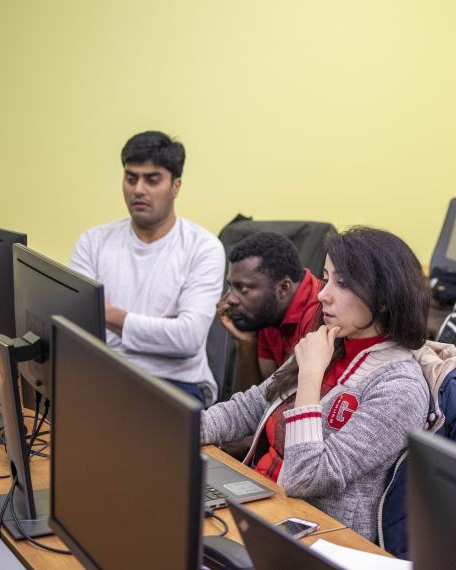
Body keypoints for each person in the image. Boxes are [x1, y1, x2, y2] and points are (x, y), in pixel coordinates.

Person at [201, 227, 431, 543]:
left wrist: (310, 376)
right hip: (264, 503)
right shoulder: (330, 341)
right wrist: (177, 429)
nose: (323, 293)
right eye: (326, 277)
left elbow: (306, 476)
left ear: (384, 299)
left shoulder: (399, 387)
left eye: (343, 283)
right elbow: (248, 407)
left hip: (318, 538)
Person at [71, 131, 225, 405]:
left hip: (175, 384)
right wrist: (159, 333)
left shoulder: (203, 248)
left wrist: (108, 314)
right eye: (131, 178)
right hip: (104, 372)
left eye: (152, 180)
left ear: (176, 185)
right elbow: (77, 324)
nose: (138, 189)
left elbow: (187, 338)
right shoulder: (93, 242)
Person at [216, 232, 323, 392]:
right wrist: (246, 343)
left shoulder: (321, 314)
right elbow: (248, 407)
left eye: (242, 288)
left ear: (283, 288)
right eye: (231, 286)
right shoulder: (268, 312)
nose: (230, 299)